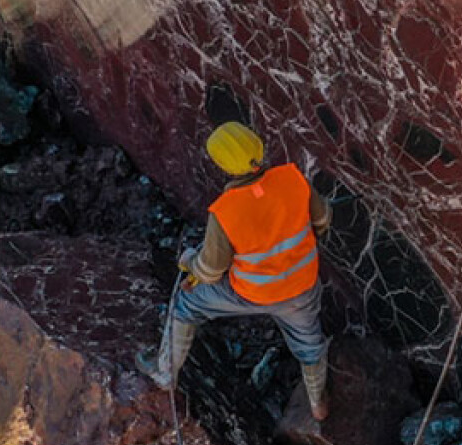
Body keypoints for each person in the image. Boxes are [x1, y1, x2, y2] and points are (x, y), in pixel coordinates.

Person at [138, 122, 333, 420]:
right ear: (258, 147)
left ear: (222, 165)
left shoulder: (225, 211)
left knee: (186, 304)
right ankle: (318, 403)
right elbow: (322, 220)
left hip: (250, 293)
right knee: (310, 344)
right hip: (301, 287)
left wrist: (190, 262)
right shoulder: (294, 179)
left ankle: (165, 373)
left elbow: (211, 270)